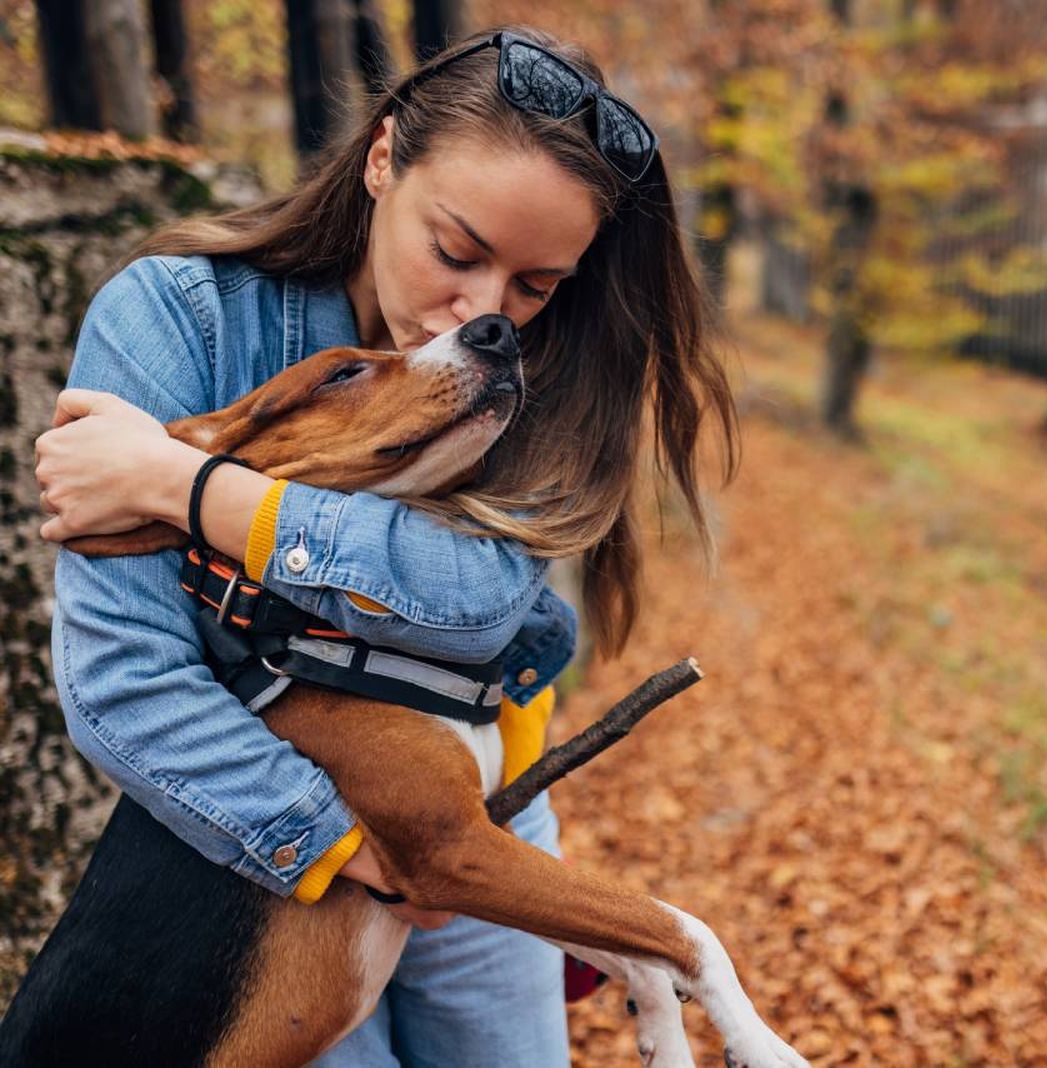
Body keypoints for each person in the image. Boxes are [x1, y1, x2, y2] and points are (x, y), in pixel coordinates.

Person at [31, 25, 734, 1067]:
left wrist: (183, 486)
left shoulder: (516, 365)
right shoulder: (174, 318)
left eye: (535, 286)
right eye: (455, 251)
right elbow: (123, 679)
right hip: (260, 849)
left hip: (479, 813)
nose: (484, 310)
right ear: (379, 159)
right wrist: (350, 848)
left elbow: (478, 602)